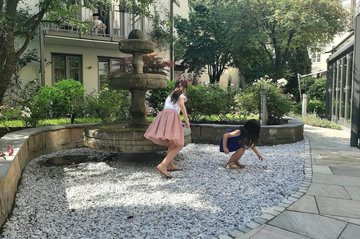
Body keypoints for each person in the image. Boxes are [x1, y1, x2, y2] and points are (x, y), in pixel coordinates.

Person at [144, 80, 190, 178]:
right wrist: (187, 120)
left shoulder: (171, 95)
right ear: (185, 88)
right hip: (172, 117)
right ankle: (163, 165)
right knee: (179, 144)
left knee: (172, 143)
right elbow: (182, 106)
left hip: (164, 116)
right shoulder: (180, 95)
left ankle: (170, 165)